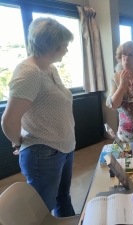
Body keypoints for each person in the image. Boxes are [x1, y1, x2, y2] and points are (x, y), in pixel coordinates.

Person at [1, 18, 75, 217]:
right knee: (40, 213)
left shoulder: (50, 69)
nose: (66, 50)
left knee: (62, 197)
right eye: (64, 46)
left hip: (64, 147)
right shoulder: (28, 72)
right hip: (44, 153)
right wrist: (19, 144)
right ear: (51, 46)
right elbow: (9, 121)